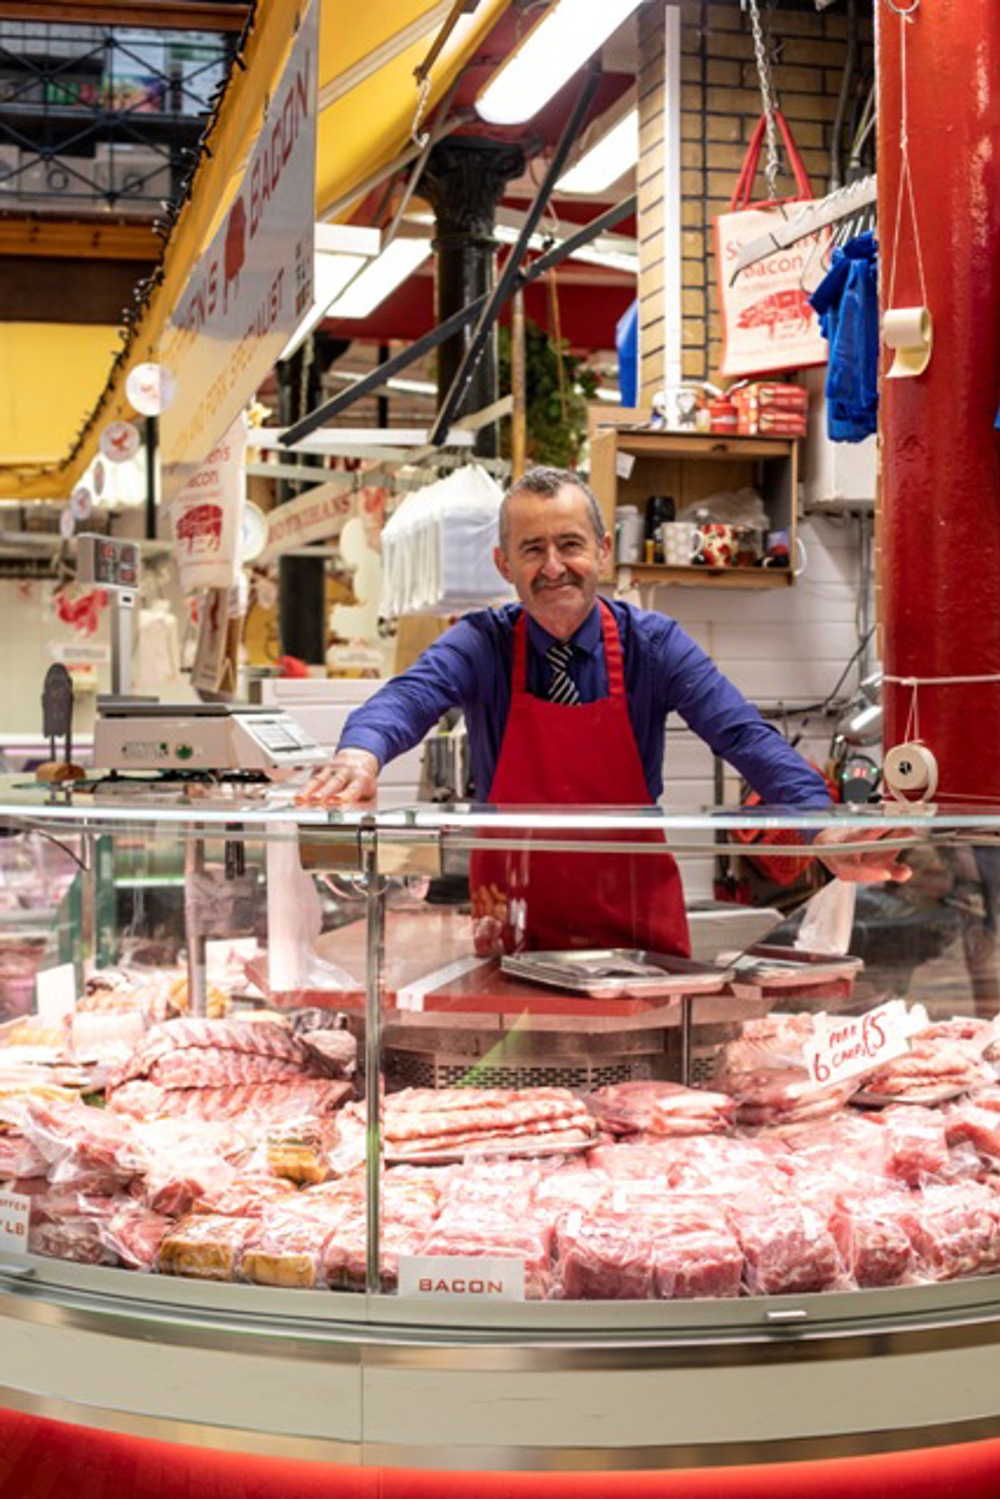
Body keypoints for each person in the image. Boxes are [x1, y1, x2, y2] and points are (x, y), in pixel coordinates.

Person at [302, 466, 907, 953]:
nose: (554, 566)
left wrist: (819, 822)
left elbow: (743, 735)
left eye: (570, 544)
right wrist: (362, 751)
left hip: (635, 922)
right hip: (509, 915)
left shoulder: (655, 644)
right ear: (503, 564)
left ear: (602, 548)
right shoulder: (482, 642)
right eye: (531, 549)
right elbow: (410, 696)